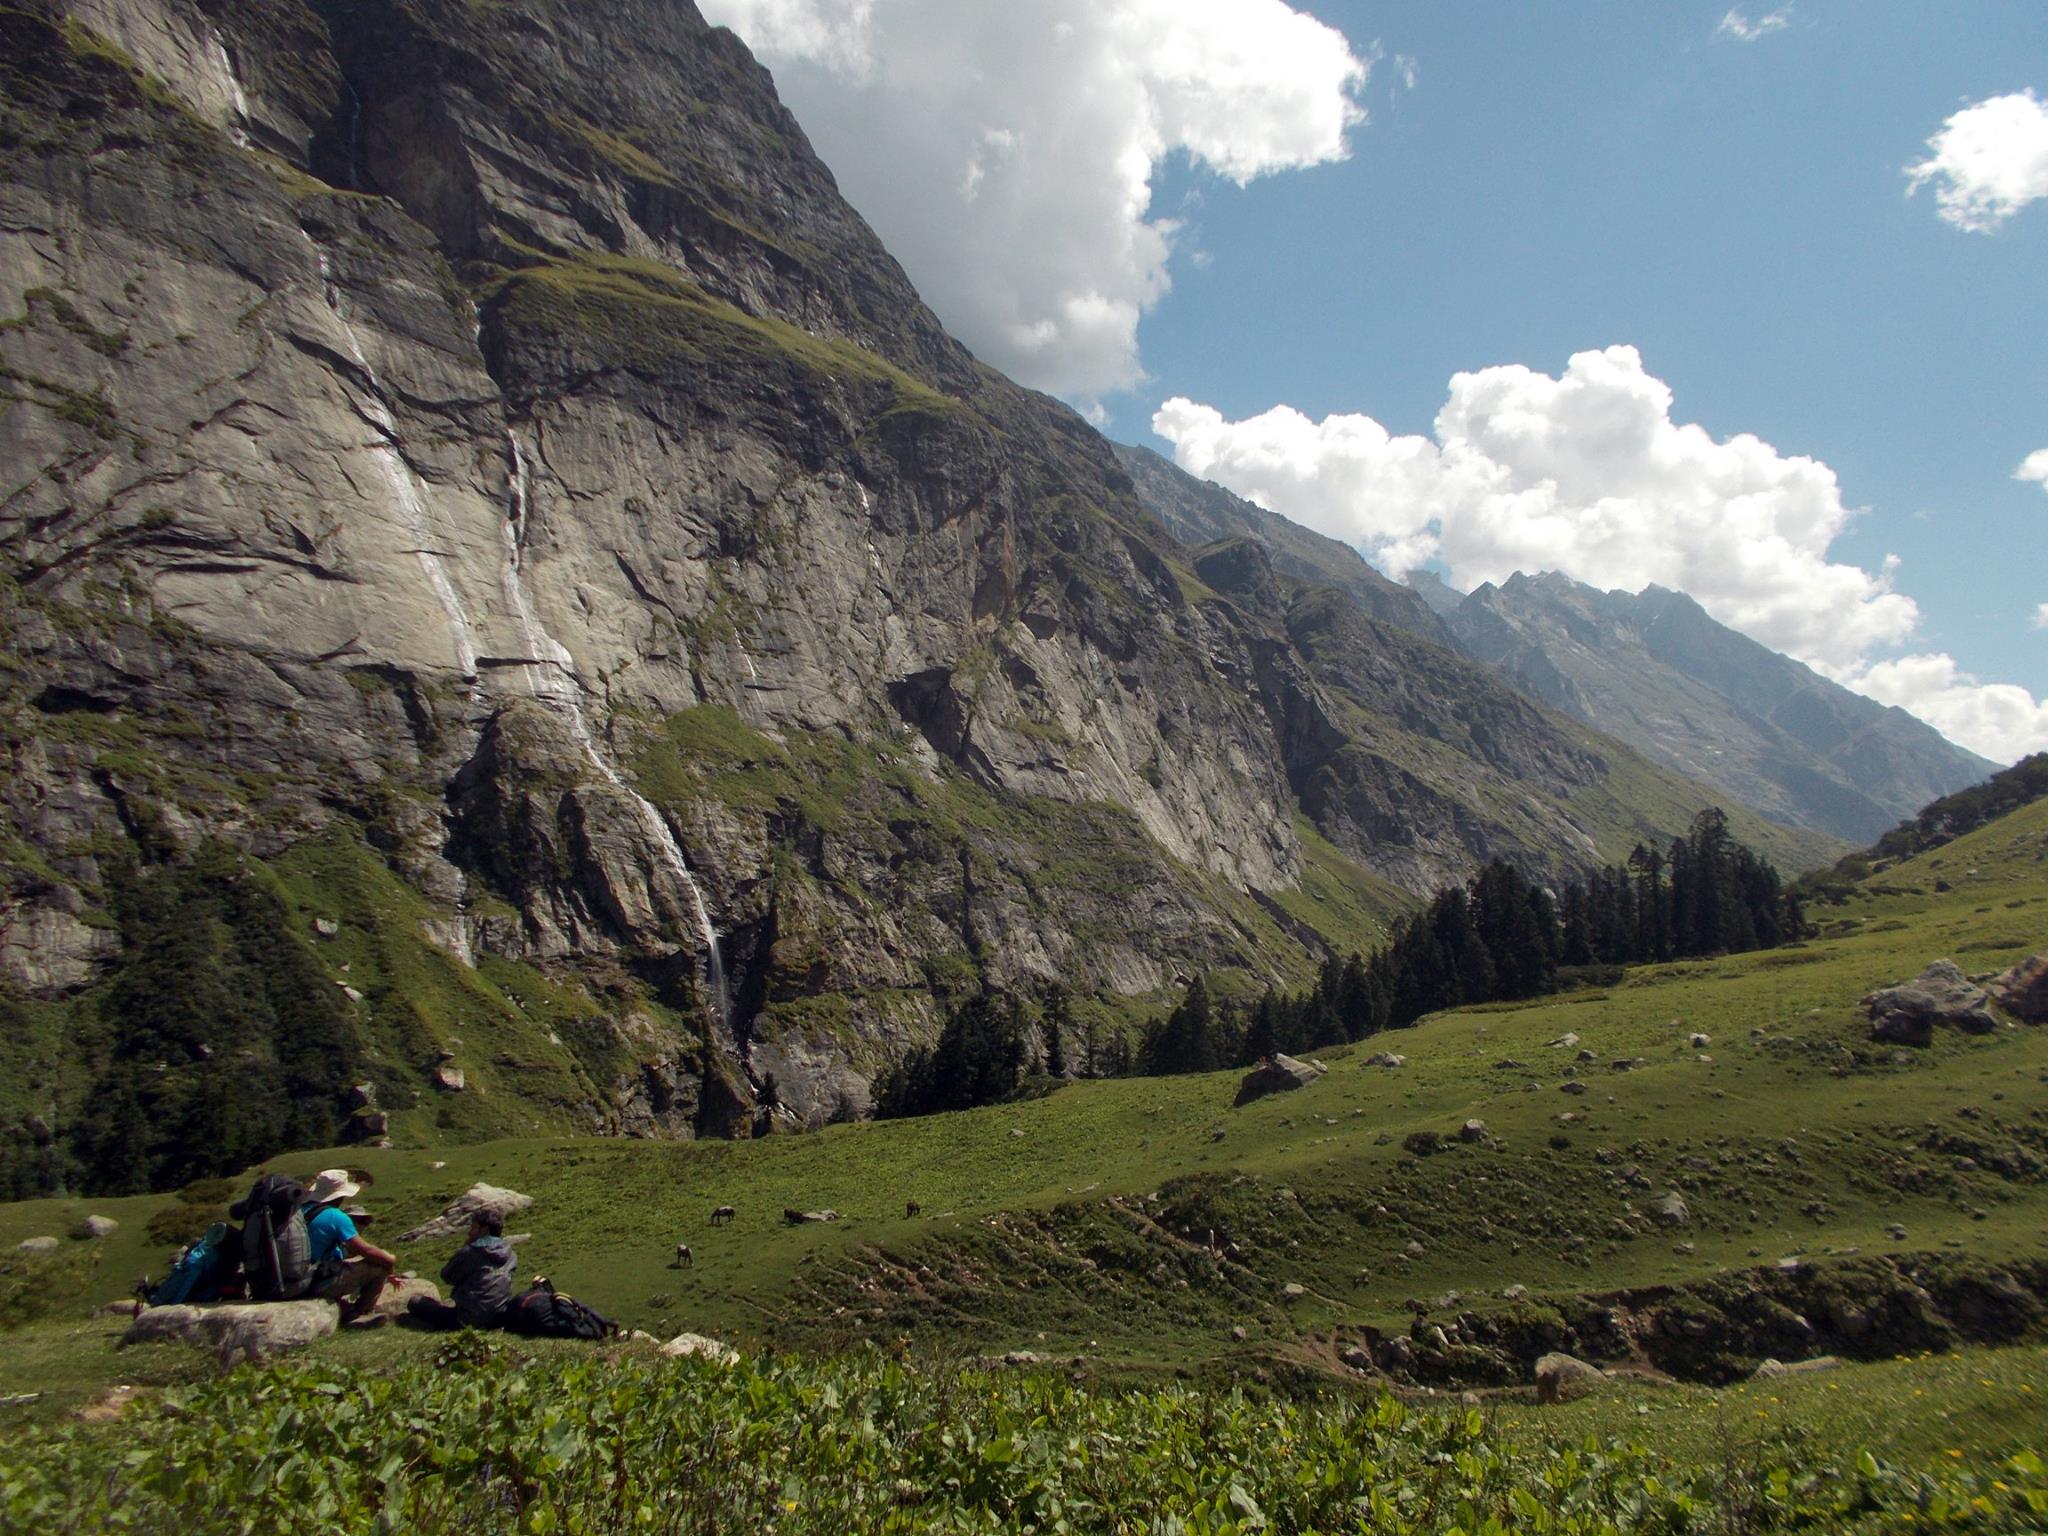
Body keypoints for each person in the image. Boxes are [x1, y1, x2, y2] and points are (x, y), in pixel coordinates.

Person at [301, 1168, 399, 1325]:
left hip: (298, 1277)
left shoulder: (300, 1211)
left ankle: (344, 1307)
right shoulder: (336, 1216)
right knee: (377, 1266)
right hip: (319, 1280)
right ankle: (361, 1313)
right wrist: (390, 1260)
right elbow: (367, 1251)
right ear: (340, 1195)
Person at [407, 1208, 517, 1331]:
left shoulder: (471, 1251)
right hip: (497, 1320)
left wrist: (466, 1247)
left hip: (466, 1319)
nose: (470, 1233)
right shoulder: (511, 1255)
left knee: (416, 1302)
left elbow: (447, 1276)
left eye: (473, 1228)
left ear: (484, 1230)